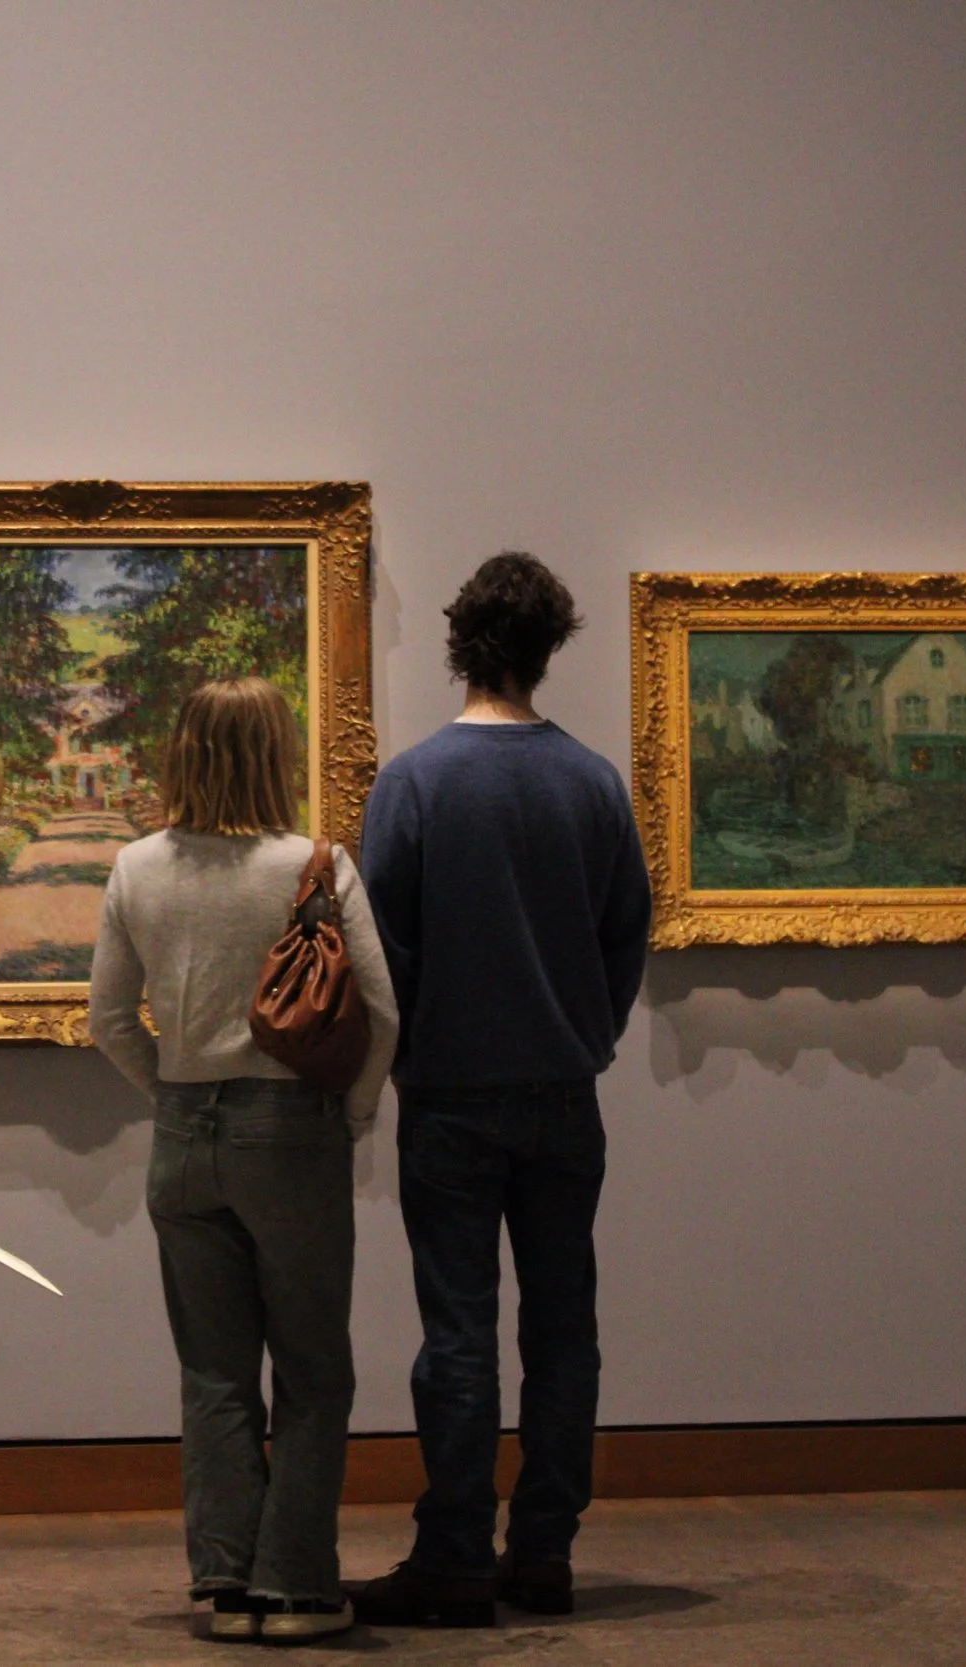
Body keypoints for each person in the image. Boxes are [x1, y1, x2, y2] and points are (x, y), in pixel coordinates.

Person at [350, 552, 650, 1626]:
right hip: (566, 1091)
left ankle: (453, 1555)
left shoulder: (417, 780)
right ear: (549, 648)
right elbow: (626, 939)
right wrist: (584, 1033)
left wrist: (406, 1056)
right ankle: (544, 1550)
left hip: (452, 1094)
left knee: (459, 1330)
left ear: (456, 642)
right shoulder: (591, 780)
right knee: (565, 1326)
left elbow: (382, 950)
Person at [91, 675, 400, 1644]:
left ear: (183, 747)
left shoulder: (136, 867)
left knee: (214, 1372)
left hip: (182, 1140)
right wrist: (348, 1112)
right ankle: (295, 1586)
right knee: (312, 1367)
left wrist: (176, 1095)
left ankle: (225, 1581)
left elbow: (107, 1020)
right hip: (291, 1132)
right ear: (276, 752)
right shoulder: (314, 864)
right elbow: (382, 1011)